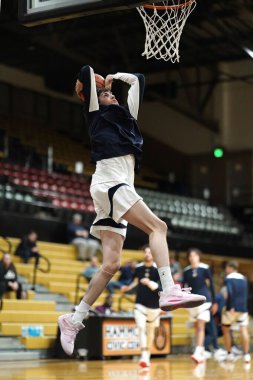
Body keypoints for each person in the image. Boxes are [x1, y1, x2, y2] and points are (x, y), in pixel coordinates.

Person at [58, 65, 206, 356]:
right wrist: (99, 83)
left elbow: (138, 81)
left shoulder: (128, 117)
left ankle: (73, 319)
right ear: (93, 99)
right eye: (103, 94)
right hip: (110, 183)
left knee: (111, 265)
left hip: (117, 187)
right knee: (158, 227)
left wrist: (116, 79)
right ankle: (168, 289)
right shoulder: (94, 114)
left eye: (111, 94)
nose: (110, 95)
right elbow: (86, 71)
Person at [122, 246, 161, 368]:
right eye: (146, 252)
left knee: (150, 332)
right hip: (140, 304)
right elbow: (135, 281)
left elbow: (163, 288)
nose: (147, 254)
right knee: (140, 327)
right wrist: (127, 288)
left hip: (154, 306)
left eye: (150, 252)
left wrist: (150, 283)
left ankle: (147, 355)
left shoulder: (159, 269)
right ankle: (143, 354)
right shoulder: (138, 268)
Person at [183, 248, 217, 364]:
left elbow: (211, 285)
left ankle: (198, 351)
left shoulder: (205, 268)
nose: (192, 258)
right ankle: (200, 350)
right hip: (192, 301)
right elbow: (184, 287)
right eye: (190, 256)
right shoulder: (186, 271)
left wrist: (215, 302)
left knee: (201, 326)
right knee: (197, 327)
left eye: (194, 255)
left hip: (205, 300)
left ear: (198, 256)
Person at [221, 261, 250, 363]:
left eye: (226, 268)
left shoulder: (228, 278)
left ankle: (229, 354)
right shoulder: (244, 279)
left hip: (231, 309)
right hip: (243, 309)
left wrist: (232, 306)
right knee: (243, 329)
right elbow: (246, 295)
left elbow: (229, 292)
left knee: (225, 329)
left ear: (230, 268)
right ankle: (247, 355)